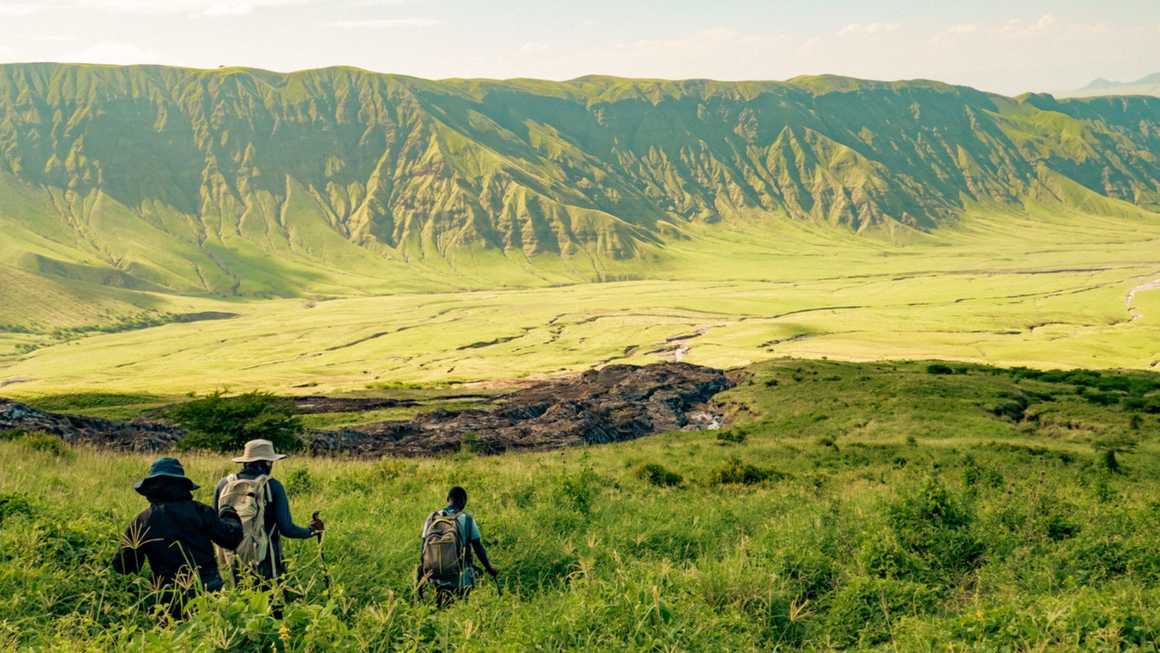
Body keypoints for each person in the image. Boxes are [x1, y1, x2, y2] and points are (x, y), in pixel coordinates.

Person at [112, 457, 243, 617]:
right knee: (207, 634)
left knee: (170, 639)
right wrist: (230, 515)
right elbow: (230, 540)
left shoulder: (143, 521)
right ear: (183, 486)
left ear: (151, 489)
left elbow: (123, 566)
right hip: (206, 588)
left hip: (167, 596)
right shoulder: (201, 512)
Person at [212, 439, 324, 583]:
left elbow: (214, 525)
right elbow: (286, 529)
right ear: (267, 463)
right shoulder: (272, 486)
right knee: (272, 601)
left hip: (234, 559)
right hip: (266, 560)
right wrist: (311, 531)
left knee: (242, 601)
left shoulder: (223, 484)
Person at [418, 486, 498, 605]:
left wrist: (423, 573)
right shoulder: (467, 519)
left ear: (447, 499)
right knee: (461, 605)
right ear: (464, 502)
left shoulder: (432, 517)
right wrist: (489, 568)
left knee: (439, 607)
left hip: (434, 575)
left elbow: (423, 547)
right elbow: (478, 547)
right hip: (460, 578)